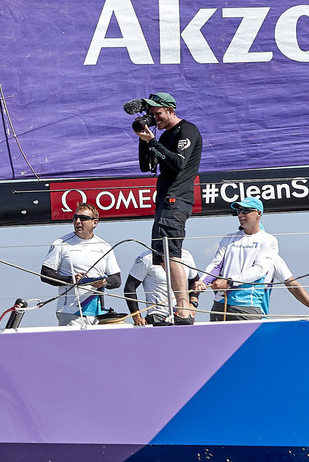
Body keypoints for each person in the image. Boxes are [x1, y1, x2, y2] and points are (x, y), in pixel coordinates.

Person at [198, 197, 309, 320]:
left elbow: (264, 272)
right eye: (239, 211)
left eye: (246, 211)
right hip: (220, 304)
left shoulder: (269, 242)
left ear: (258, 214)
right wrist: (203, 282)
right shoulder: (228, 238)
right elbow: (216, 265)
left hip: (247, 306)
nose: (240, 215)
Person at [134, 92, 202, 323]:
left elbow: (178, 163)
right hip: (164, 200)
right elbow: (146, 166)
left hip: (176, 199)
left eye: (158, 114)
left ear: (171, 110)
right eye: (151, 115)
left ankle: (183, 309)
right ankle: (179, 307)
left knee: (171, 253)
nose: (155, 119)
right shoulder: (163, 137)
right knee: (161, 256)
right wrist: (144, 140)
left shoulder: (187, 130)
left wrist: (153, 142)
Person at [41, 203, 121, 325]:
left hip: (97, 313)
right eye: (75, 218)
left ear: (95, 222)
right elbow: (45, 274)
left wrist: (104, 282)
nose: (78, 222)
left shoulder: (104, 246)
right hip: (69, 311)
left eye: (83, 218)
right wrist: (71, 279)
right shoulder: (61, 243)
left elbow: (116, 279)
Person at [123, 247, 198, 325]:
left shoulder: (186, 255)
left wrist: (193, 305)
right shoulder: (146, 258)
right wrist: (137, 317)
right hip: (157, 316)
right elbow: (129, 288)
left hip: (183, 315)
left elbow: (195, 281)